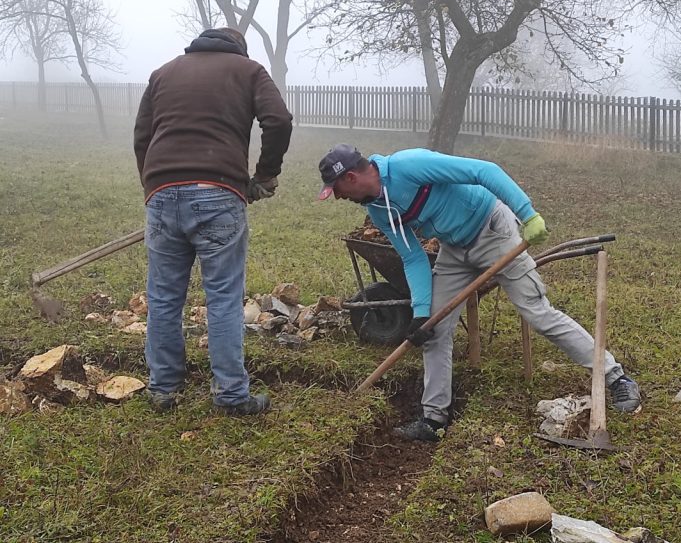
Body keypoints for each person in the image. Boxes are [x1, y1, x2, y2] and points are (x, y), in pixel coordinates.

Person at [317, 144, 641, 441]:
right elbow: (413, 256)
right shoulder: (378, 210)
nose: (338, 197)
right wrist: (419, 313)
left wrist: (527, 214)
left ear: (351, 176)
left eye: (338, 191)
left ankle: (616, 378)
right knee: (434, 329)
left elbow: (483, 171)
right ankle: (434, 419)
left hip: (493, 231)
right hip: (454, 250)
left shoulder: (408, 165)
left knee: (538, 313)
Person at [134, 27, 293, 415]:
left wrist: (154, 185)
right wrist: (265, 174)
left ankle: (163, 388)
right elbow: (279, 120)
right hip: (218, 192)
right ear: (238, 49)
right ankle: (230, 396)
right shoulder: (248, 70)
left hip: (162, 193)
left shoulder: (163, 72)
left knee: (163, 297)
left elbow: (142, 136)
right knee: (222, 298)